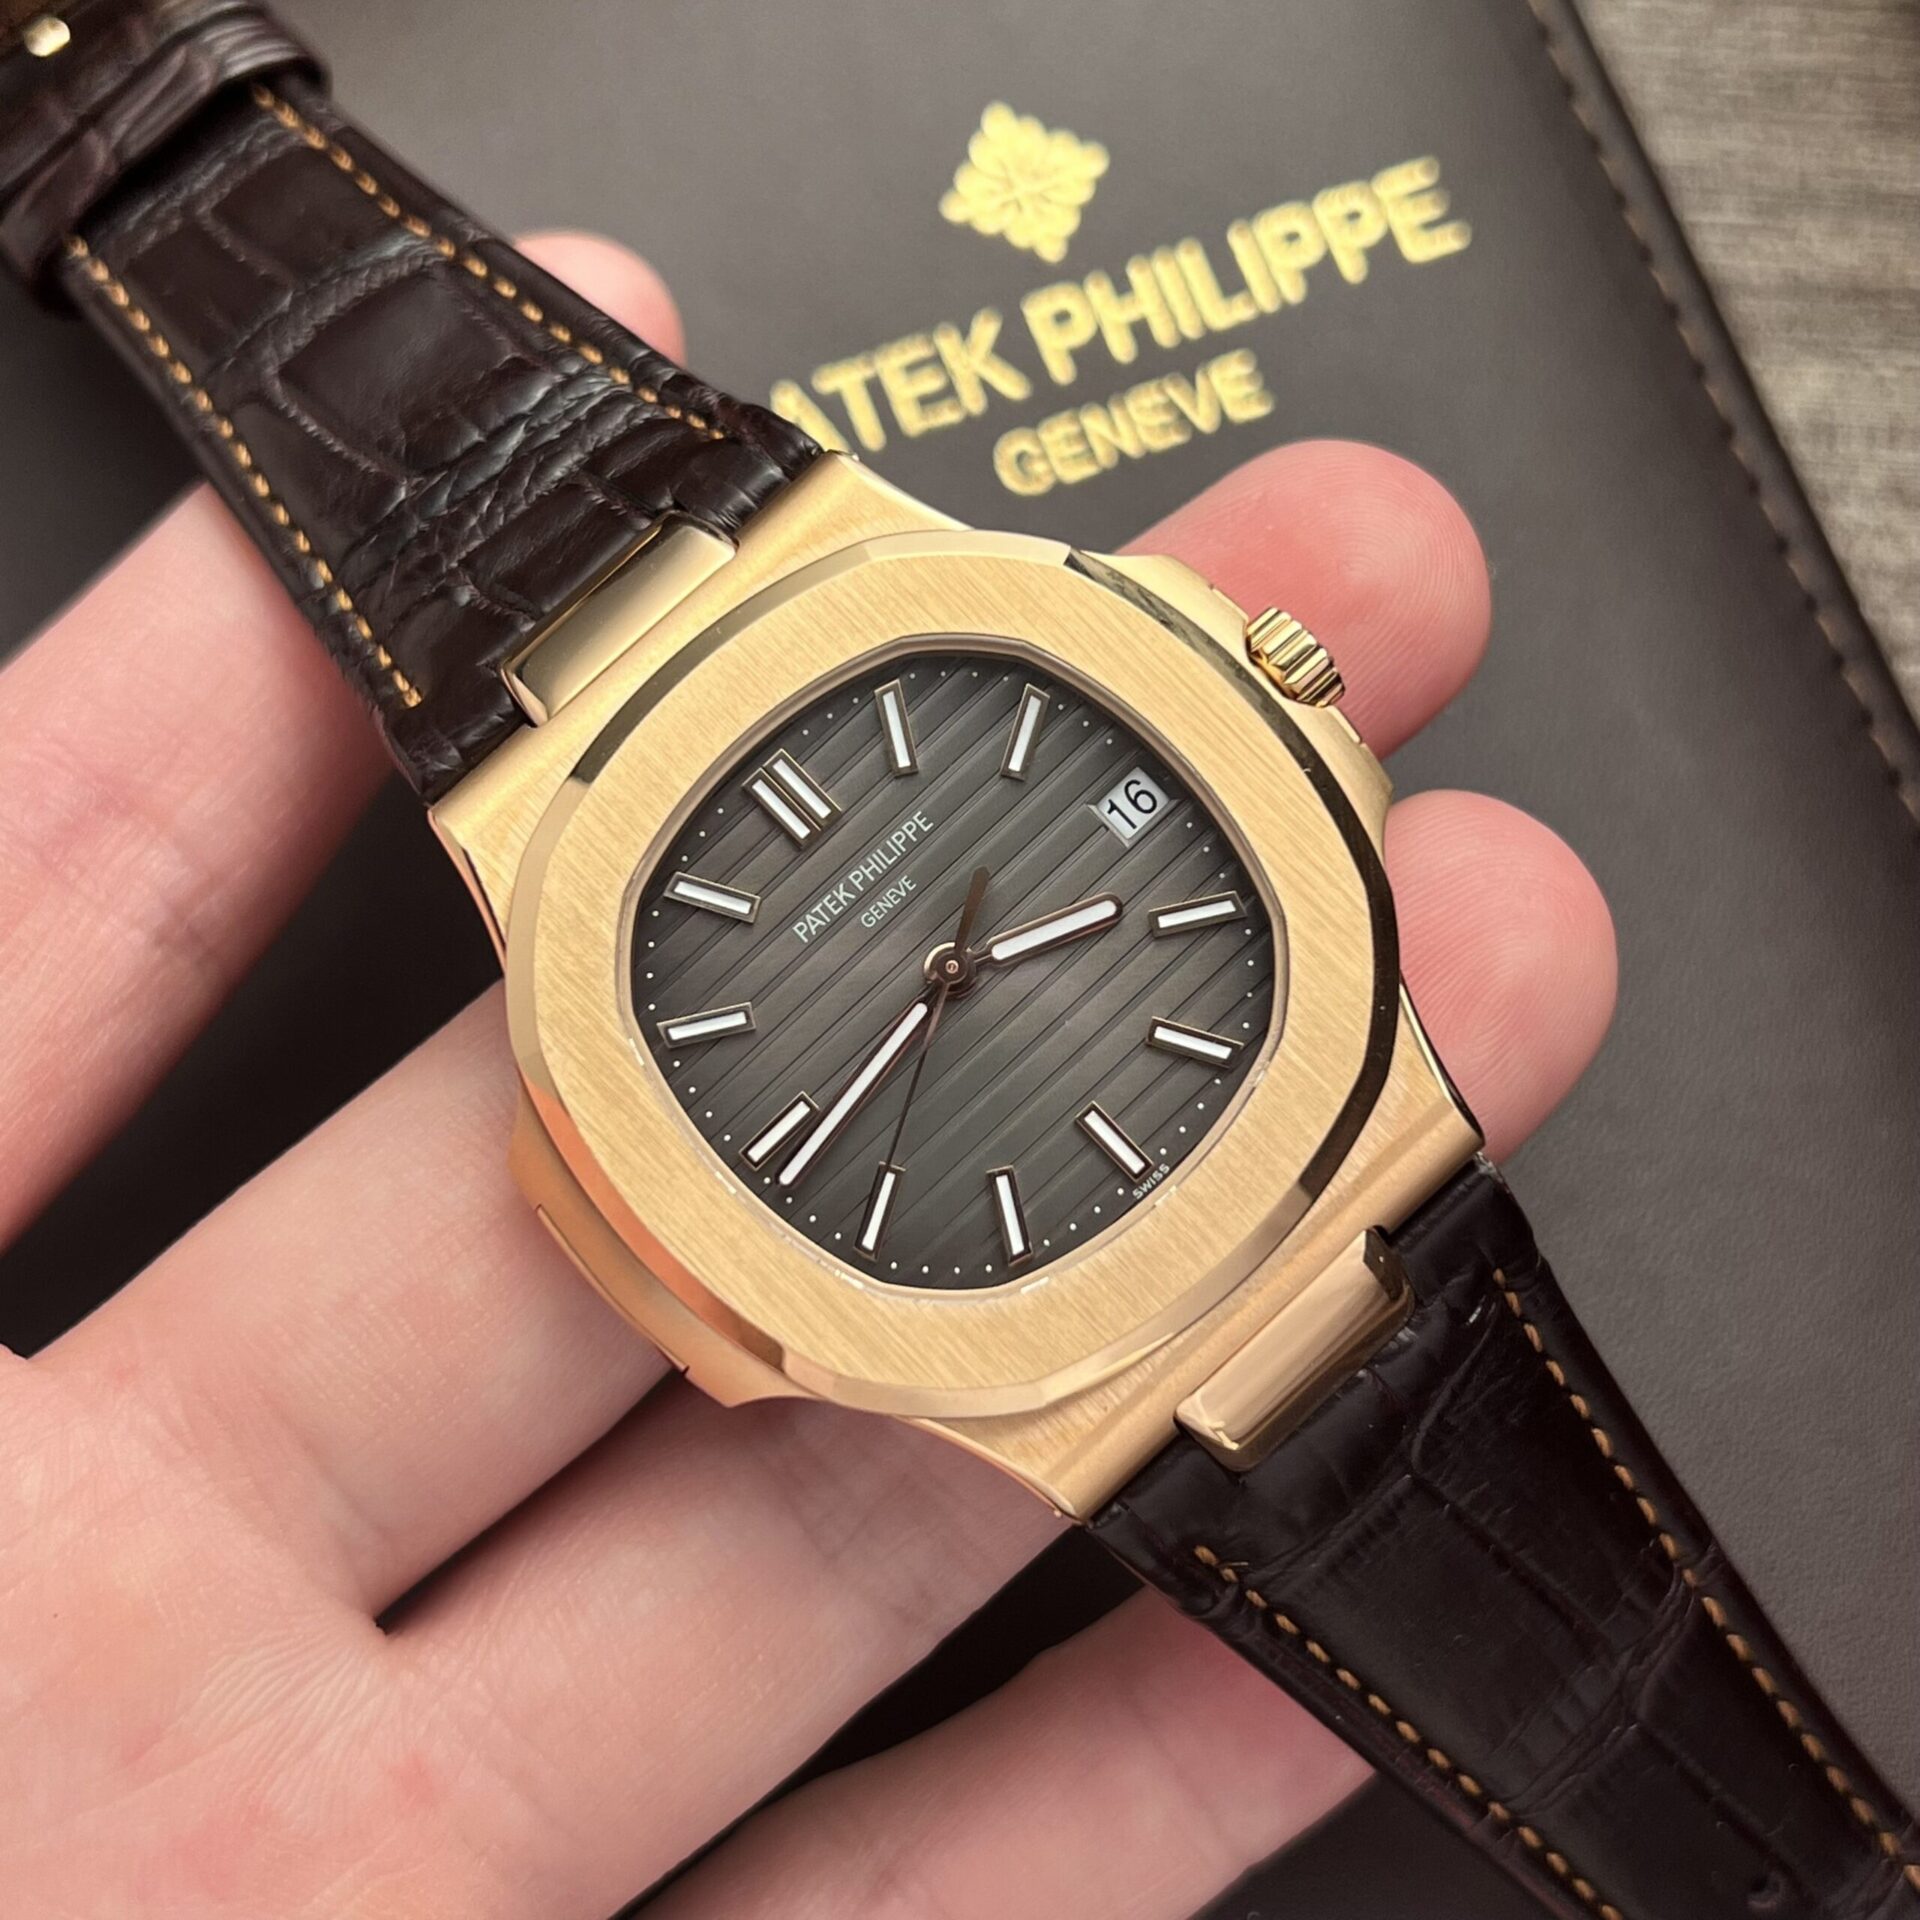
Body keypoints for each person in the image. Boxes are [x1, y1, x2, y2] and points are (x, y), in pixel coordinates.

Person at [0, 232, 1615, 1919]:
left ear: (1265, 663)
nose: (945, 972)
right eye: (945, 973)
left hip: (1339, 1158)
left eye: (951, 966)